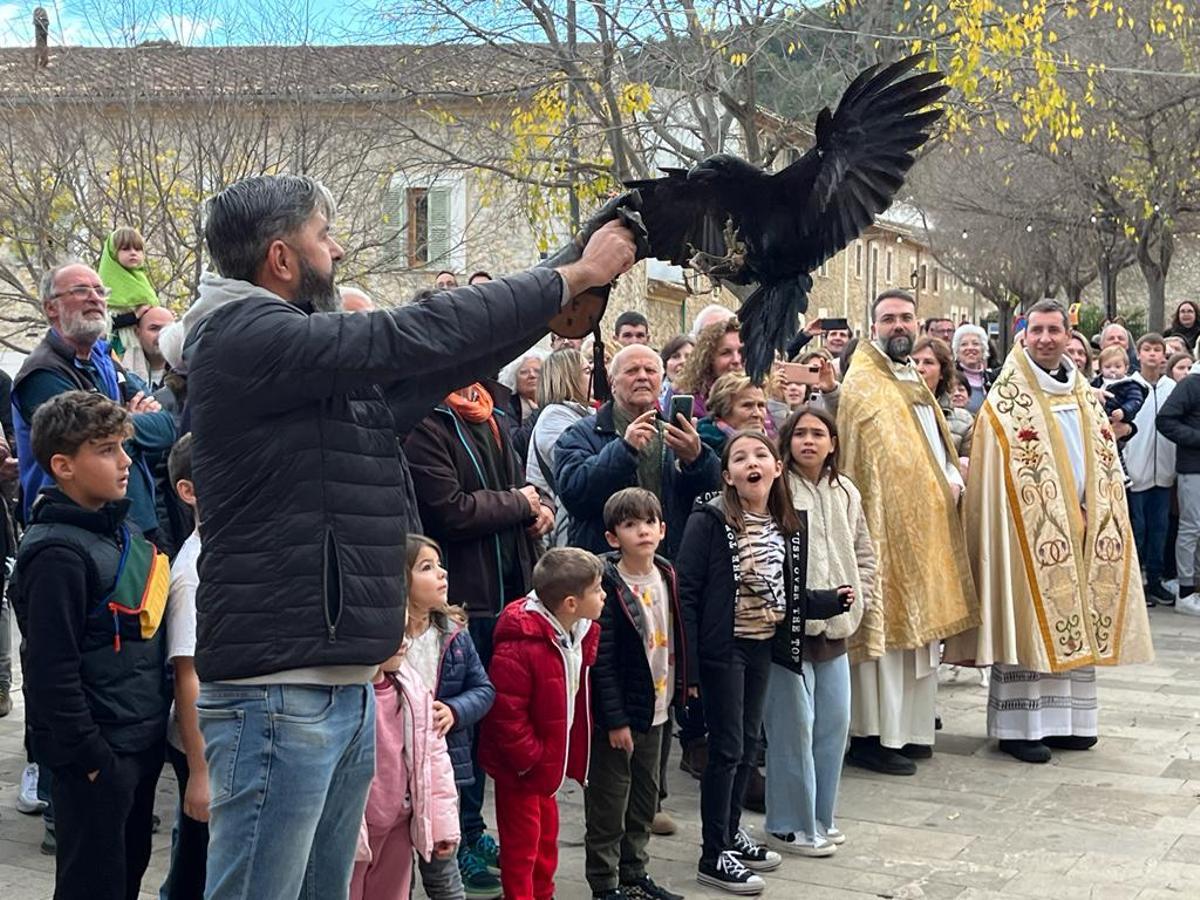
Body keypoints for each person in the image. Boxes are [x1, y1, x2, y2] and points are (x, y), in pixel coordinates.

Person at [184, 173, 636, 899]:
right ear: (280, 257)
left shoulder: (303, 371)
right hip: (279, 697)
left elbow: (443, 357)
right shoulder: (244, 334)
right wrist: (569, 277)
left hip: (342, 685)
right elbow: (410, 333)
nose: (336, 249)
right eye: (323, 236)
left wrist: (563, 284)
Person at [946, 299, 1154, 763]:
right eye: (1036, 330)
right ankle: (1020, 727)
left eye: (1054, 330)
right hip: (1025, 533)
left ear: (1068, 336)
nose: (1045, 338)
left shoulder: (1082, 392)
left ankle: (1071, 722)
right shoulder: (1006, 401)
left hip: (1084, 525)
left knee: (1078, 617)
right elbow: (992, 480)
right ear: (1024, 336)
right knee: (1030, 620)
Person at [676, 431, 851, 894]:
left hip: (762, 645)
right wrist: (690, 669)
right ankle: (714, 854)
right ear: (728, 476)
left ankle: (732, 834)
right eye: (739, 458)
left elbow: (786, 594)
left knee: (750, 745)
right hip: (723, 649)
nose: (751, 463)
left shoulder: (783, 521)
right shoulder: (710, 520)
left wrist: (827, 602)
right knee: (728, 747)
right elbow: (687, 594)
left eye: (760, 455)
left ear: (776, 468)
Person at [16, 391, 171, 900]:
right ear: (62, 465)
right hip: (99, 755)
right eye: (106, 449)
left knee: (125, 874)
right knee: (92, 883)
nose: (125, 461)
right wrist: (92, 757)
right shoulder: (57, 552)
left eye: (123, 447)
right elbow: (50, 672)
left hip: (136, 741)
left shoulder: (115, 530)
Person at [404, 377, 553, 884]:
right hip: (464, 599)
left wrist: (539, 513)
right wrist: (520, 504)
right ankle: (456, 838)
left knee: (491, 719)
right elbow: (450, 509)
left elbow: (527, 493)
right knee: (458, 723)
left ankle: (471, 823)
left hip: (509, 589)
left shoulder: (491, 414)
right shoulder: (426, 419)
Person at [837, 289, 977, 776]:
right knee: (885, 643)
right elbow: (868, 463)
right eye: (889, 319)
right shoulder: (862, 386)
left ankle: (912, 731)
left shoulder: (909, 375)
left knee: (917, 643)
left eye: (906, 318)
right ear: (872, 326)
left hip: (923, 527)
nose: (899, 326)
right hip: (882, 531)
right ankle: (874, 736)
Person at [766, 406, 876, 857]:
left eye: (818, 434)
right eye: (800, 434)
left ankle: (821, 817)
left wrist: (861, 594)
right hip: (793, 627)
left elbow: (864, 551)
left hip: (837, 628)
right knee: (794, 728)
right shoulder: (777, 490)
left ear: (832, 442)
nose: (808, 441)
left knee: (833, 726)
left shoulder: (845, 490)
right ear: (788, 441)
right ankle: (787, 824)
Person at [13, 262, 176, 541]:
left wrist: (121, 426)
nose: (95, 297)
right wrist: (126, 423)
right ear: (51, 307)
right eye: (80, 290)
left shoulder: (104, 358)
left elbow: (166, 426)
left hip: (132, 523)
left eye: (100, 290)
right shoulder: (42, 373)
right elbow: (90, 446)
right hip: (76, 530)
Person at [479, 548, 604, 900]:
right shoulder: (521, 644)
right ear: (570, 602)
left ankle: (543, 894)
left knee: (546, 839)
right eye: (597, 590)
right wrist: (531, 758)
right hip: (522, 770)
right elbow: (506, 713)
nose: (604, 595)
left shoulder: (576, 630)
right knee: (522, 848)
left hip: (548, 764)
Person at [585, 488, 687, 900]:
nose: (641, 531)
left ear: (662, 530)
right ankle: (605, 882)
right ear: (613, 537)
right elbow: (603, 662)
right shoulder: (606, 585)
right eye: (630, 525)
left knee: (645, 799)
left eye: (648, 523)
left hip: (659, 708)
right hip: (624, 715)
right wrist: (615, 720)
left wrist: (686, 688)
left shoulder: (666, 573)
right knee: (611, 800)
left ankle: (634, 873)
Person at [556, 344, 719, 559]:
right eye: (632, 371)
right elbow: (574, 494)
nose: (642, 377)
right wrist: (624, 450)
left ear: (661, 384)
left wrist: (697, 459)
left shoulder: (676, 434)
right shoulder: (580, 433)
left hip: (669, 566)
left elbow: (713, 494)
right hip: (606, 568)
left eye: (650, 371)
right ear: (612, 383)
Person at [404, 535, 495, 899]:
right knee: (395, 871)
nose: (442, 574)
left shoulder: (454, 634)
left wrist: (456, 710)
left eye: (440, 566)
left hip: (444, 771)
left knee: (444, 868)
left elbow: (484, 690)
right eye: (427, 567)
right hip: (393, 772)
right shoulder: (384, 640)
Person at [350, 638, 461, 900]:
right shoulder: (342, 693)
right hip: (351, 830)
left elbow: (434, 760)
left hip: (397, 826)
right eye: (391, 630)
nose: (405, 641)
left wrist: (441, 826)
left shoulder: (412, 687)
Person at [159, 434, 209, 900]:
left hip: (226, 737)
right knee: (199, 861)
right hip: (205, 743)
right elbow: (186, 675)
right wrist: (199, 772)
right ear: (188, 491)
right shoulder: (195, 571)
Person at [1125, 334, 1177, 607]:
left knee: (1160, 528)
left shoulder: (1172, 387)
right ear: (1139, 354)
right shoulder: (1131, 386)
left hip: (1164, 472)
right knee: (1139, 528)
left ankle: (1155, 580)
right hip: (1136, 471)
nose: (1153, 355)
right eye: (1148, 349)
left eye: (1158, 350)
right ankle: (1138, 580)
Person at [527, 348, 592, 547]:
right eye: (586, 371)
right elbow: (579, 470)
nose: (594, 375)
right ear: (569, 377)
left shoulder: (581, 413)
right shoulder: (555, 417)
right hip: (562, 525)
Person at [1157, 354, 1200, 607]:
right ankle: (1184, 592)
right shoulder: (1190, 384)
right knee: (1191, 528)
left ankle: (1195, 585)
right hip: (1193, 469)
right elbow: (1165, 421)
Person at [97, 226, 159, 368]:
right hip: (119, 349)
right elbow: (105, 324)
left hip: (144, 348)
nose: (133, 253)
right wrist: (133, 316)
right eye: (125, 249)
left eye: (137, 249)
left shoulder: (141, 280)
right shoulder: (104, 285)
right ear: (113, 253)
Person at [671, 318, 745, 421]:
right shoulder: (692, 406)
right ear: (709, 359)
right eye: (726, 353)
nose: (736, 360)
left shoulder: (761, 399)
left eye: (742, 352)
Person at [912, 336, 973, 459]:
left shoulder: (963, 421)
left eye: (928, 362)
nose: (919, 368)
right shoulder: (894, 411)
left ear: (942, 373)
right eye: (915, 362)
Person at [697, 373, 769, 454]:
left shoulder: (771, 447)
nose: (757, 414)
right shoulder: (701, 449)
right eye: (747, 405)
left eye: (761, 405)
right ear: (723, 410)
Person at [499, 347, 548, 462]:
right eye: (524, 372)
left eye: (537, 371)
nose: (532, 375)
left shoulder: (554, 401)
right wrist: (537, 414)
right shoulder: (506, 406)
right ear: (513, 378)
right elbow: (518, 444)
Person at [1092, 346, 1148, 432]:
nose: (1112, 370)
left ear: (1126, 368)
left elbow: (1135, 401)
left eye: (1118, 367)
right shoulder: (1096, 382)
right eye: (1107, 367)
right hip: (1096, 422)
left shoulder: (1130, 385)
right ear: (1100, 369)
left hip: (1117, 421)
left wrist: (1124, 411)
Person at [130, 306, 176, 389]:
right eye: (154, 328)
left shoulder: (188, 372)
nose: (163, 334)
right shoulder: (122, 373)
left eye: (169, 329)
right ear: (137, 332)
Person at [952, 323, 993, 414]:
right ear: (957, 351)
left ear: (983, 349)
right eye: (964, 344)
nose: (970, 348)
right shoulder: (949, 378)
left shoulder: (993, 379)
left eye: (975, 344)